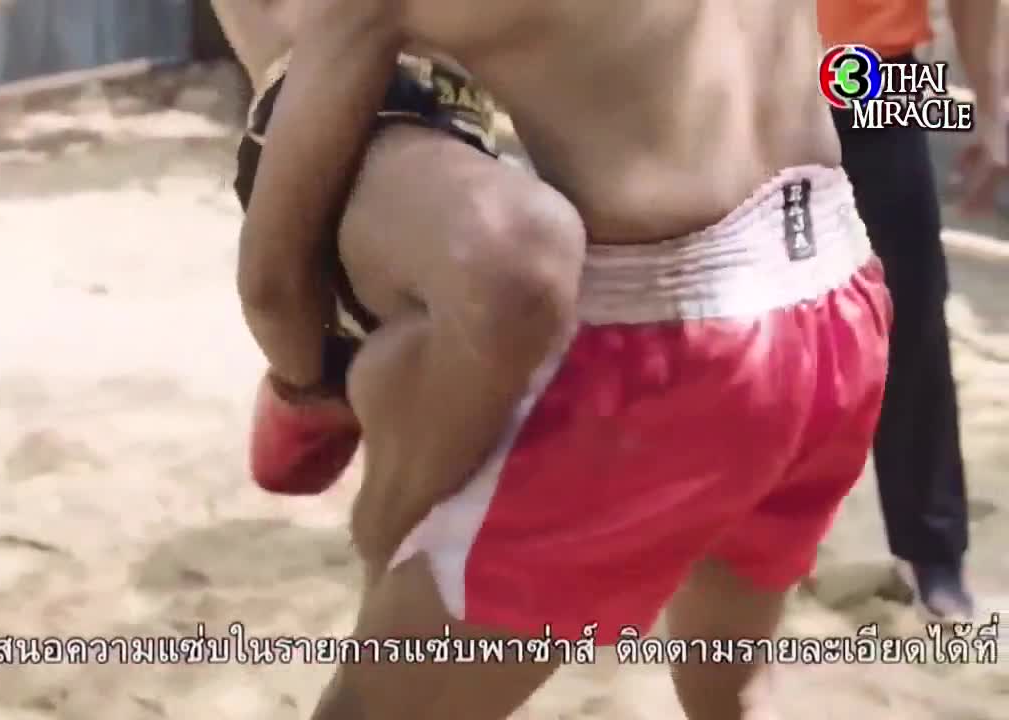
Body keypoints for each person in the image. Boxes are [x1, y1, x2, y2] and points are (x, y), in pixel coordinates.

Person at [239, 1, 892, 718]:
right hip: (840, 305)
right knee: (734, 694)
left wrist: (303, 390)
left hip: (671, 358)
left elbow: (272, 285)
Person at [217, 0, 586, 546]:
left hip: (449, 124)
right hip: (337, 107)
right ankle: (323, 408)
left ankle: (316, 395)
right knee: (515, 254)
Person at [820, 0, 1004, 622]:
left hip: (876, 75)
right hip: (728, 74)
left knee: (910, 312)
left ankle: (931, 551)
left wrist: (990, 108)